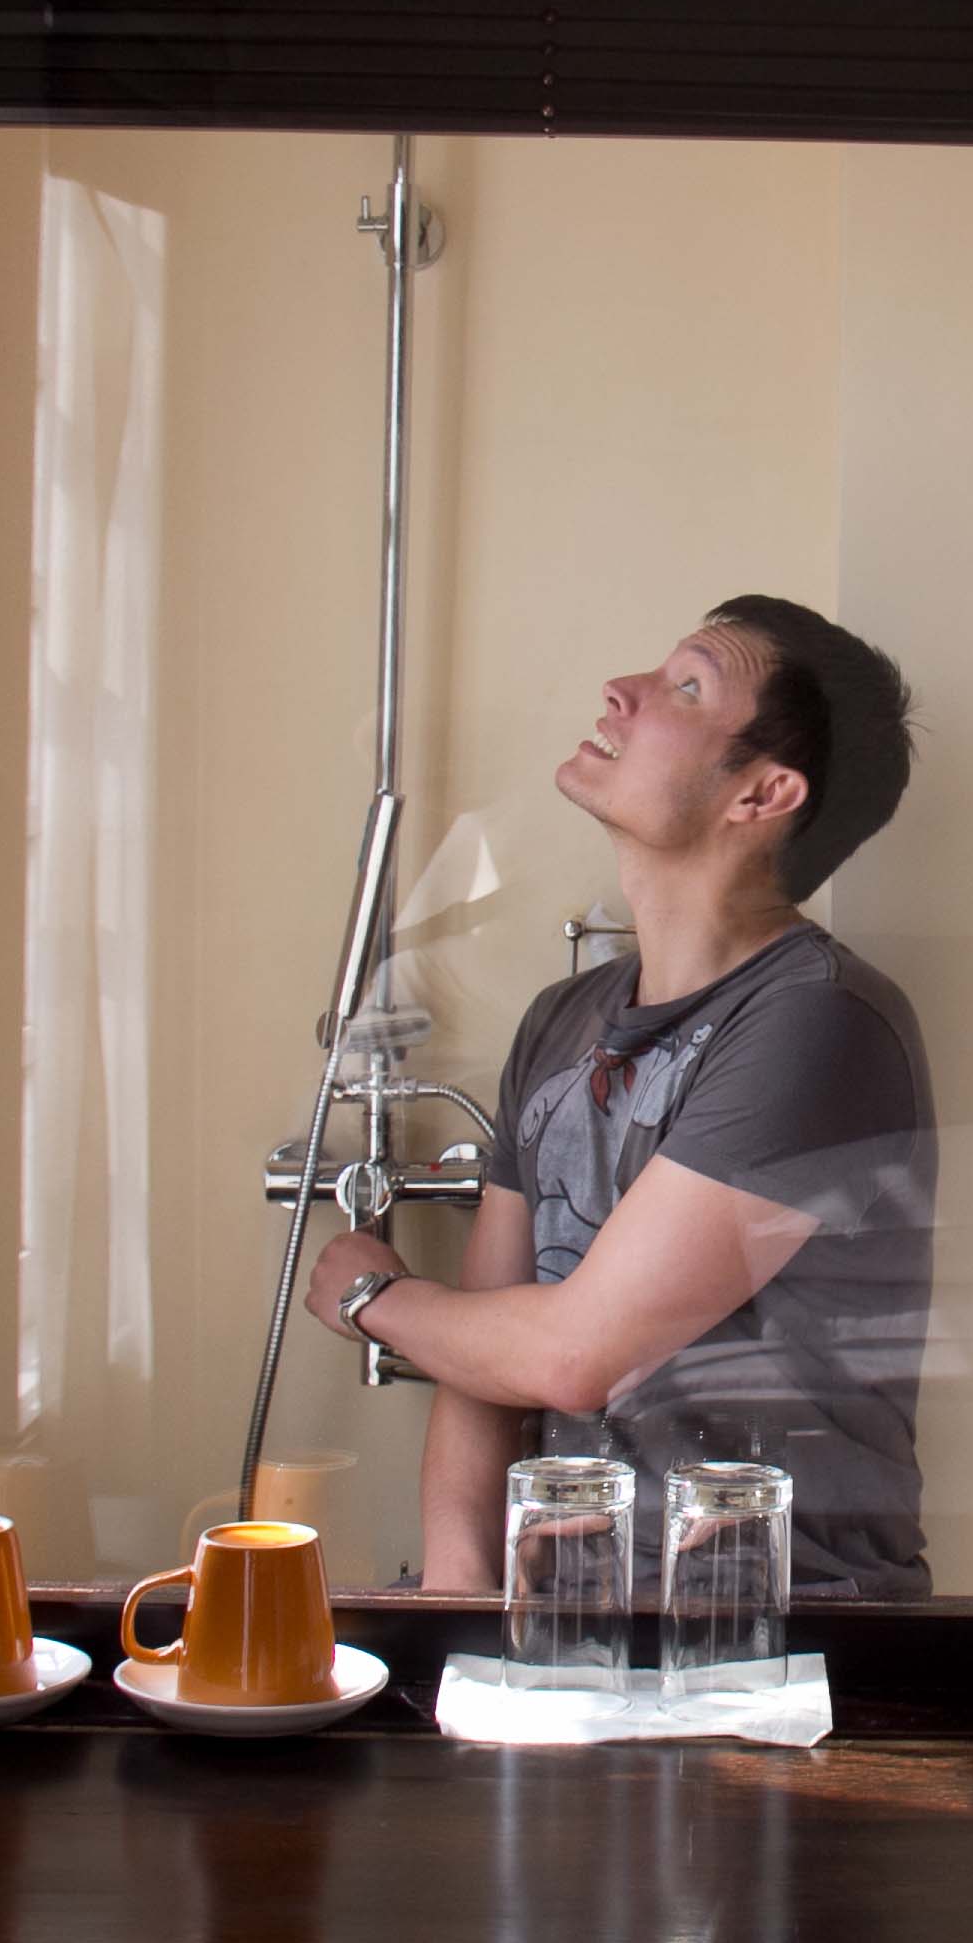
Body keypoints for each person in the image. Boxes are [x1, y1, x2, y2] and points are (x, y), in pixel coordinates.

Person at [304, 597, 936, 1598]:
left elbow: (571, 1356)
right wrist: (457, 1595)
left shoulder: (821, 1024)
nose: (621, 692)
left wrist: (373, 1296)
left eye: (687, 686)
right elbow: (485, 1351)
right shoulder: (561, 1022)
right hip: (571, 1622)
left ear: (762, 793)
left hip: (778, 1632)